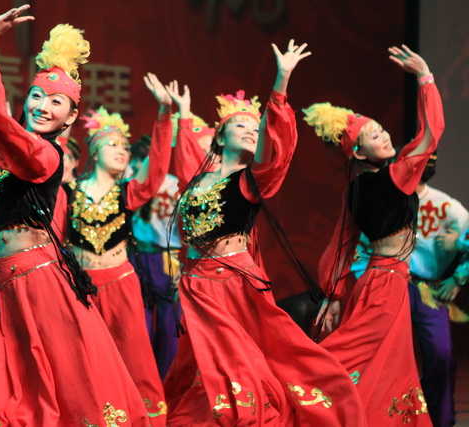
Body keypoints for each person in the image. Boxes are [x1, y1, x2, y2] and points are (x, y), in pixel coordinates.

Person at [0, 6, 150, 425]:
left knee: (67, 390)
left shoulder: (45, 155)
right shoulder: (8, 165)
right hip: (5, 288)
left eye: (56, 102)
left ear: (71, 117)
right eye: (37, 96)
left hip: (37, 284)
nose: (42, 106)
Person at [163, 40, 365, 426]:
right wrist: (183, 115)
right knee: (204, 371)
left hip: (233, 286)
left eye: (253, 127)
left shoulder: (249, 181)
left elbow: (275, 143)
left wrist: (281, 80)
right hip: (196, 287)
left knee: (241, 367)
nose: (249, 130)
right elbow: (186, 154)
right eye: (239, 125)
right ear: (219, 137)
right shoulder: (197, 180)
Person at [304, 45, 444, 425]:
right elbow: (431, 135)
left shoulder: (356, 189)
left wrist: (334, 295)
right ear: (358, 153)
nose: (382, 136)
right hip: (387, 286)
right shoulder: (397, 177)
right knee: (352, 357)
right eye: (372, 136)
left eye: (380, 129)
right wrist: (425, 77)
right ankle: (294, 390)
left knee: (388, 366)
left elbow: (340, 247)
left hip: (376, 283)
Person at [64, 78, 172, 424]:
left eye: (125, 146)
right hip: (82, 288)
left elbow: (157, 167)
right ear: (95, 151)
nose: (122, 150)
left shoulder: (128, 192)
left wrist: (164, 113)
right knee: (86, 360)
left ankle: (147, 420)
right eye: (114, 144)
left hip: (121, 283)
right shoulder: (69, 191)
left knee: (135, 357)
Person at [349, 153, 468, 427]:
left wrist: (458, 275)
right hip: (389, 285)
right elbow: (359, 245)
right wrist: (367, 280)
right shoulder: (385, 199)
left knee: (440, 352)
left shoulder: (448, 206)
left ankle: (438, 418)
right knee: (378, 354)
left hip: (428, 290)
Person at [130, 135, 182, 379]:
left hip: (157, 256)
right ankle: (154, 376)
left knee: (160, 316)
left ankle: (154, 377)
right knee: (154, 316)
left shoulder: (170, 185)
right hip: (146, 255)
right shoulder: (133, 181)